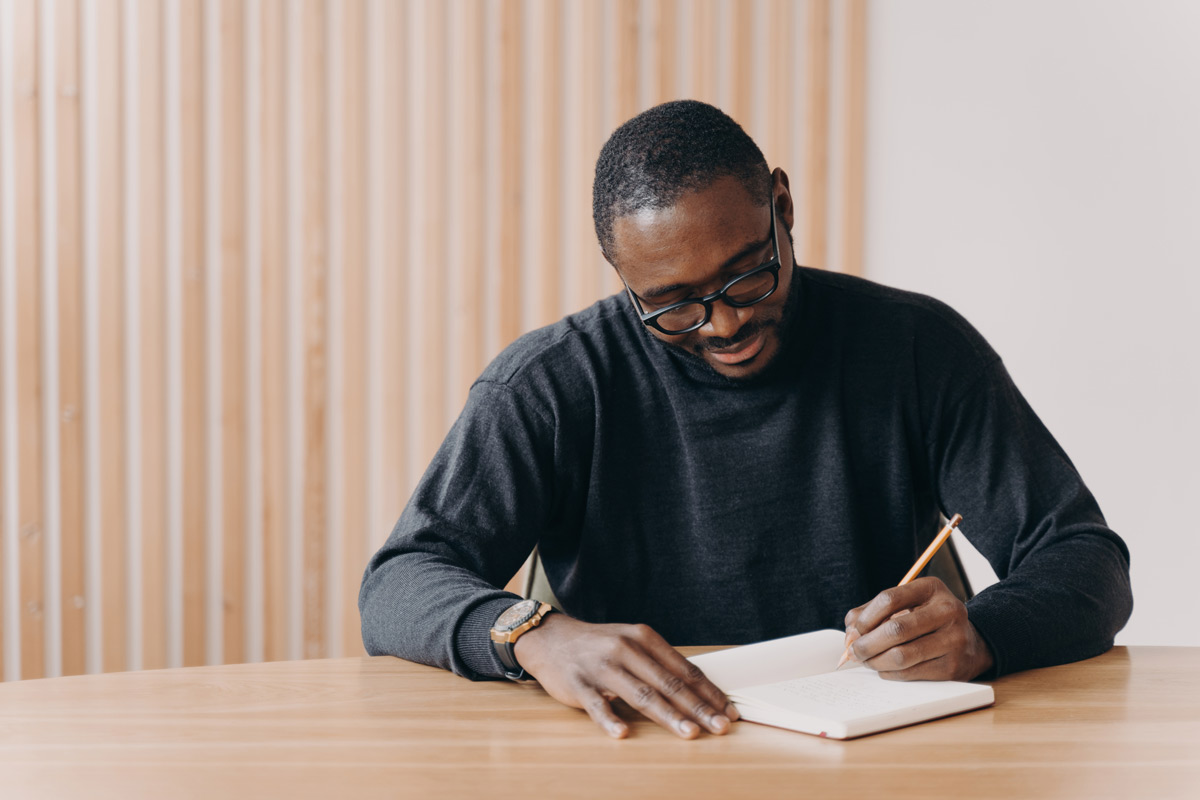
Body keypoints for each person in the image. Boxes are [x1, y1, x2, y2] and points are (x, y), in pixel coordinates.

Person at [359, 100, 1132, 740]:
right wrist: (532, 635)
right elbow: (397, 583)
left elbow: (1084, 559)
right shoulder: (553, 383)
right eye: (671, 304)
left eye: (747, 276)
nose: (723, 324)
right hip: (641, 750)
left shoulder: (917, 349)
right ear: (625, 281)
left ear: (783, 209)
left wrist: (987, 633)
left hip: (873, 749)